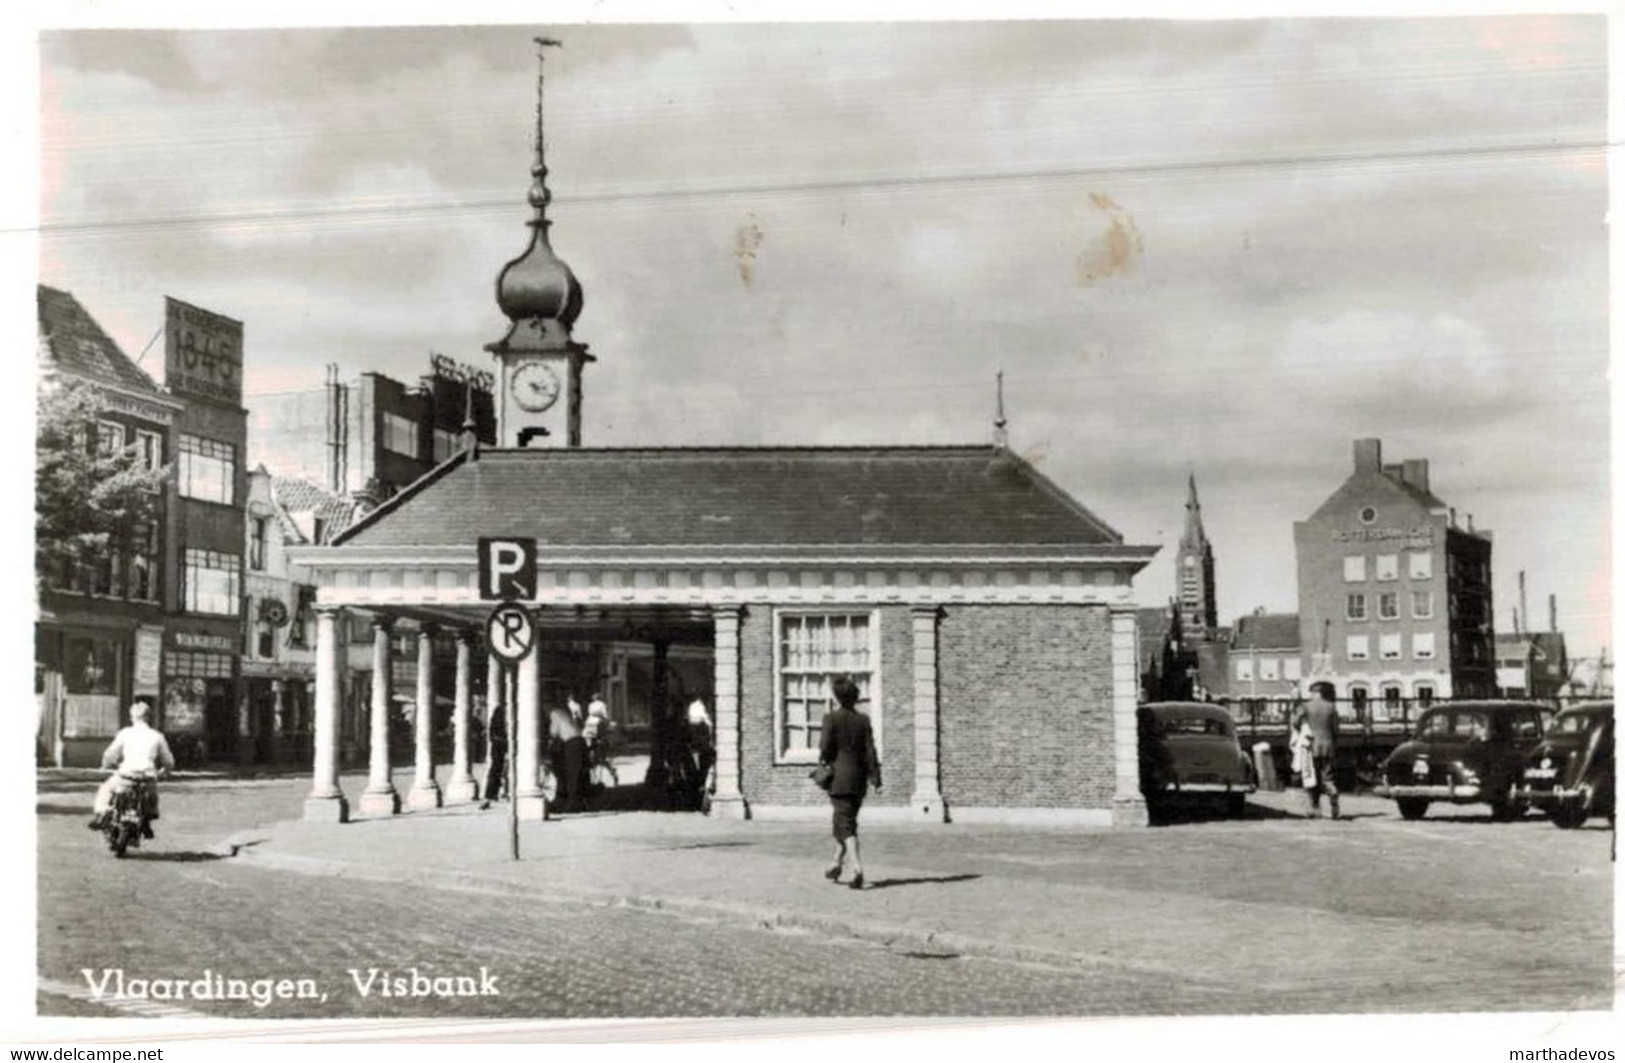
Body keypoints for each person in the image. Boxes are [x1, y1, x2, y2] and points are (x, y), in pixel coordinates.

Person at [817, 675, 882, 889]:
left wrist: (825, 760)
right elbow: (870, 751)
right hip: (858, 780)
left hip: (839, 780)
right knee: (845, 821)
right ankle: (835, 863)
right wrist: (875, 778)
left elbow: (825, 749)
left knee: (845, 825)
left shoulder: (830, 718)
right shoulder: (863, 720)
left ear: (837, 697)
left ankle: (856, 868)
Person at [89, 701, 174, 836]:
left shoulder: (125, 733)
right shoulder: (157, 736)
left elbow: (110, 753)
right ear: (148, 717)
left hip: (126, 775)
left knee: (106, 788)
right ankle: (147, 820)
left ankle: (102, 814)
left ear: (132, 717)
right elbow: (168, 760)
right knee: (152, 796)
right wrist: (165, 771)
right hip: (147, 777)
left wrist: (105, 765)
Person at [1291, 682, 1340, 820]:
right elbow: (1336, 729)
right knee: (1327, 777)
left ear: (1313, 693)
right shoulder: (1331, 707)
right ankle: (1333, 795)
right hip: (1328, 746)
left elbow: (1295, 722)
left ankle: (1314, 808)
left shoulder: (1306, 706)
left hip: (1310, 746)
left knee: (1310, 777)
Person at [549, 700, 589, 812]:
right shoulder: (564, 712)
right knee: (577, 773)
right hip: (580, 740)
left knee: (571, 773)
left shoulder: (554, 713)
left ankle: (573, 803)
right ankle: (579, 801)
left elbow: (554, 732)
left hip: (571, 743)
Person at [480, 695, 508, 810]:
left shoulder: (500, 709)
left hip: (502, 743)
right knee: (496, 769)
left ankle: (498, 793)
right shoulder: (500, 710)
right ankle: (489, 795)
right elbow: (493, 729)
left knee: (499, 770)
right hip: (500, 744)